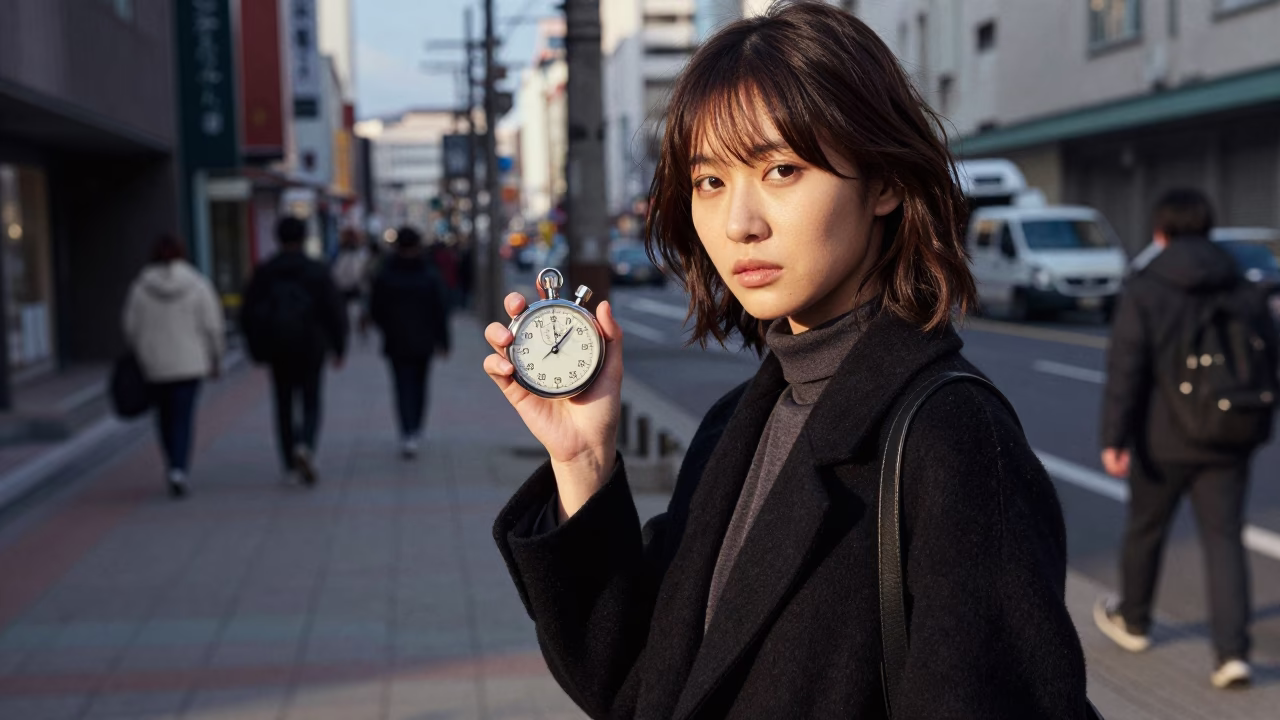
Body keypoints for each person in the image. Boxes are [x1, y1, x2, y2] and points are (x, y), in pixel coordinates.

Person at [482, 3, 1091, 717]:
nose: (740, 224)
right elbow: (637, 684)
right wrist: (583, 459)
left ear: (885, 183)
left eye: (781, 169)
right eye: (710, 182)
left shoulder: (953, 440)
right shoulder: (734, 424)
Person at [1096, 188, 1279, 689]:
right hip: (1229, 432)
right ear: (1208, 227)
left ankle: (1134, 621)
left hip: (1163, 437)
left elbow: (1126, 368)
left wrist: (1114, 438)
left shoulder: (1147, 286)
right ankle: (1231, 654)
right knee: (1224, 538)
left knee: (1146, 528)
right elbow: (1269, 355)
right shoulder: (1238, 280)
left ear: (1160, 233)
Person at [241, 216, 348, 486]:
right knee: (311, 399)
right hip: (312, 344)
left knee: (283, 402)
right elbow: (334, 310)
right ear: (303, 237)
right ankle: (306, 445)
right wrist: (339, 346)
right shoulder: (316, 270)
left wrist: (255, 348)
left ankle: (289, 461)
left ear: (278, 238)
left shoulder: (265, 271)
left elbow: (248, 313)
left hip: (278, 346)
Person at [122, 235, 224, 498]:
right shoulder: (197, 284)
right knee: (183, 417)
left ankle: (171, 462)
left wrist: (142, 351)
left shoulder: (140, 288)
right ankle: (179, 468)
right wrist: (216, 357)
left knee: (164, 417)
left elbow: (130, 327)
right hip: (190, 363)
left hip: (154, 365)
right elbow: (213, 326)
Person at [369, 226, 451, 458]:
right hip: (424, 340)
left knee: (402, 386)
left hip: (396, 340)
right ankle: (415, 427)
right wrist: (443, 341)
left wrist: (387, 328)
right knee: (420, 385)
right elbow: (440, 309)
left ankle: (407, 431)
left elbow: (375, 309)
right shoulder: (428, 274)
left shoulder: (386, 274)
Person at [331, 227, 370, 340]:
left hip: (353, 289)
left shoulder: (356, 253)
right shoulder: (343, 253)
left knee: (355, 313)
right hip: (348, 289)